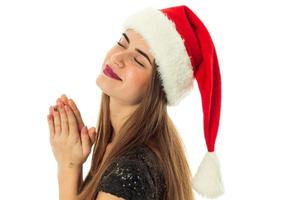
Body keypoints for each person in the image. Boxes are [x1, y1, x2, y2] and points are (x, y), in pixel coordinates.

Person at [47, 5, 224, 200]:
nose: (117, 58)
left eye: (139, 60)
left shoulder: (132, 171)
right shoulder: (117, 147)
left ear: (157, 89)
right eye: (122, 43)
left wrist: (68, 166)